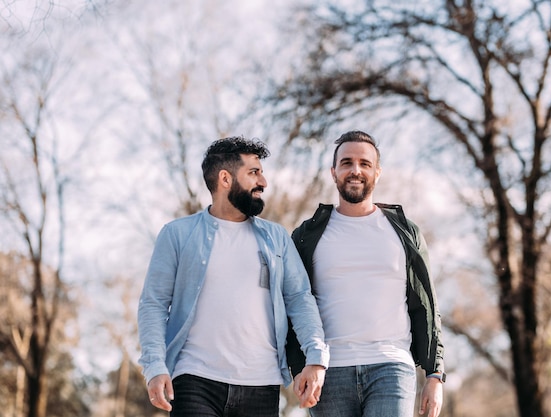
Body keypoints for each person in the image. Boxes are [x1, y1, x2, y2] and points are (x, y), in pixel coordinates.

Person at [138, 136, 329, 417]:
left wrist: (316, 357)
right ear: (225, 179)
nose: (263, 182)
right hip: (193, 379)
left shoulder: (276, 238)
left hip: (261, 384)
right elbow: (153, 303)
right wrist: (155, 366)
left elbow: (299, 298)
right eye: (254, 172)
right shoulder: (177, 234)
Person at [287, 130, 445, 417]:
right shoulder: (307, 235)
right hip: (328, 370)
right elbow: (295, 303)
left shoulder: (405, 233)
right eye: (346, 163)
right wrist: (299, 367)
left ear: (378, 172)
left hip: (392, 366)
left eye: (364, 163)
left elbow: (427, 306)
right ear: (334, 172)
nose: (355, 170)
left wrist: (435, 374)